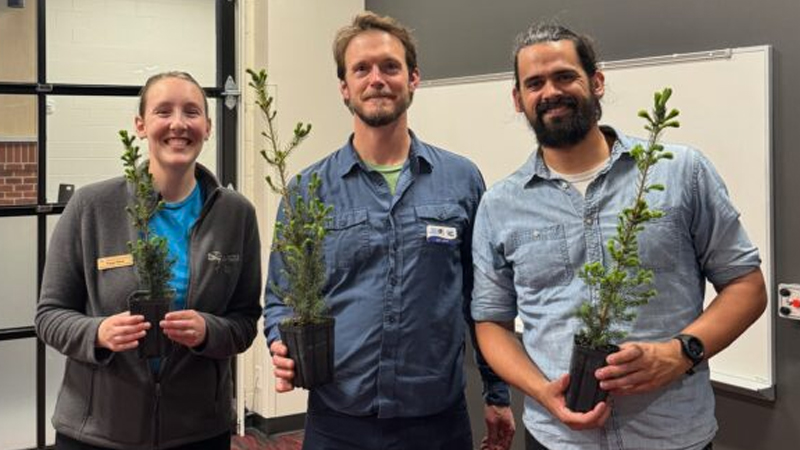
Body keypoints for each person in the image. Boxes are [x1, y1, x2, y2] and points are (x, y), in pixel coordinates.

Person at [471, 23, 767, 450]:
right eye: (534, 83)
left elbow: (747, 285)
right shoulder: (499, 204)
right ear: (519, 100)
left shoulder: (679, 172)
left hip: (673, 436)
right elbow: (491, 323)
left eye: (564, 76)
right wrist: (541, 392)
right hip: (556, 439)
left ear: (596, 82)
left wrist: (680, 352)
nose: (550, 91)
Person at [264, 12, 515, 450]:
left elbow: (484, 298)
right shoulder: (307, 190)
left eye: (390, 66)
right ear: (345, 87)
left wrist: (497, 394)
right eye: (361, 69)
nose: (376, 78)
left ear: (413, 78)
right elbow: (279, 298)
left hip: (437, 419)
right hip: (337, 419)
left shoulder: (461, 179)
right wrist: (281, 345)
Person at [35, 71, 262, 450]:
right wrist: (98, 333)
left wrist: (209, 331)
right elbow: (49, 315)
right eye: (163, 111)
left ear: (208, 127)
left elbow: (244, 320)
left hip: (199, 431)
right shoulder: (92, 208)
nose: (178, 123)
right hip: (97, 432)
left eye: (192, 112)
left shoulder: (236, 214)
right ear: (140, 126)